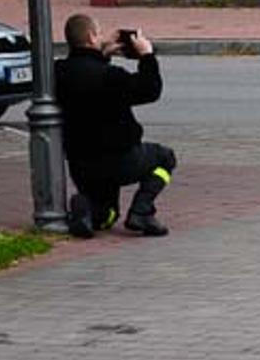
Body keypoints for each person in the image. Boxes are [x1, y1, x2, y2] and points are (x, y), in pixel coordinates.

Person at [56, 14, 174, 238]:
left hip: (82, 164)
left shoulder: (60, 71)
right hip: (121, 160)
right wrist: (146, 55)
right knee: (165, 158)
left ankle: (86, 209)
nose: (101, 37)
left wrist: (103, 55)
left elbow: (85, 71)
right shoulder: (110, 76)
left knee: (106, 215)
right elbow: (150, 90)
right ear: (91, 36)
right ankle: (142, 211)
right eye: (98, 33)